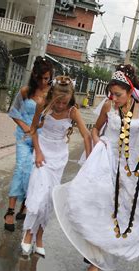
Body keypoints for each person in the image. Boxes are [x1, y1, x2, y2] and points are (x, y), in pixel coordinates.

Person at [52, 64, 139, 271]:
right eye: (111, 94)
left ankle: (96, 263)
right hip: (105, 161)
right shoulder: (108, 106)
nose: (113, 98)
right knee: (89, 204)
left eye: (118, 95)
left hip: (127, 168)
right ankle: (93, 253)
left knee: (118, 215)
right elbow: (96, 129)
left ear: (130, 90)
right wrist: (99, 143)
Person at [20, 75, 92, 258]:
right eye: (58, 102)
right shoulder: (43, 105)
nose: (60, 105)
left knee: (49, 199)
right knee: (38, 194)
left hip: (59, 158)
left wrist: (91, 158)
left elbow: (86, 135)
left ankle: (40, 237)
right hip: (42, 153)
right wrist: (38, 152)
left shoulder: (73, 112)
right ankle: (28, 234)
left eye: (64, 102)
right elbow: (33, 129)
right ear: (52, 95)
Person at [3, 57, 54, 232]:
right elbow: (14, 112)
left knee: (34, 173)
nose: (43, 81)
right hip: (24, 137)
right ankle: (10, 211)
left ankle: (24, 206)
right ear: (34, 75)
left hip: (42, 140)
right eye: (40, 78)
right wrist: (26, 128)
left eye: (47, 78)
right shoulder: (25, 91)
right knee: (21, 169)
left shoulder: (52, 93)